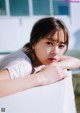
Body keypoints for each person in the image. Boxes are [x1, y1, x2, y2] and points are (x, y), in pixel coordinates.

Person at [0, 17, 80, 97]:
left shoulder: (37, 55)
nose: (56, 52)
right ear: (34, 43)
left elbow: (76, 61)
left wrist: (54, 66)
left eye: (61, 46)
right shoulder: (22, 65)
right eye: (49, 43)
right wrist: (42, 77)